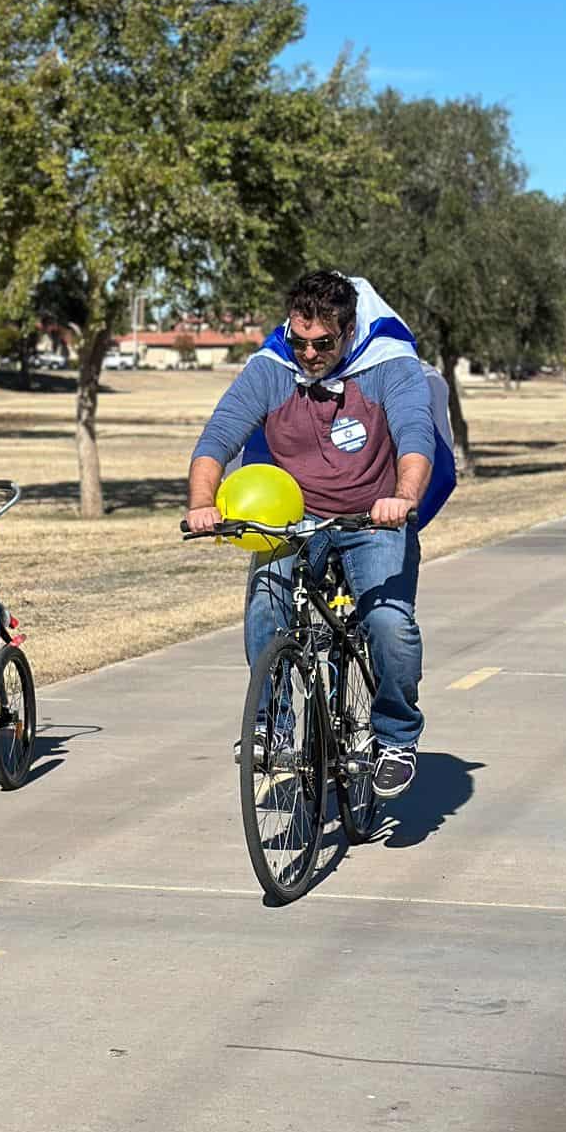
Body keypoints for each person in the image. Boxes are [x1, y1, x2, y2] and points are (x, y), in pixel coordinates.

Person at [184, 271, 441, 799]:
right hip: (293, 518)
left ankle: (395, 737)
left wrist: (404, 498)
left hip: (373, 518)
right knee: (265, 604)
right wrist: (201, 505)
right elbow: (217, 437)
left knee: (389, 625)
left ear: (348, 332)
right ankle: (269, 725)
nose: (307, 353)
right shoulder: (273, 366)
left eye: (321, 343)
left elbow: (416, 436)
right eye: (299, 340)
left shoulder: (388, 362)